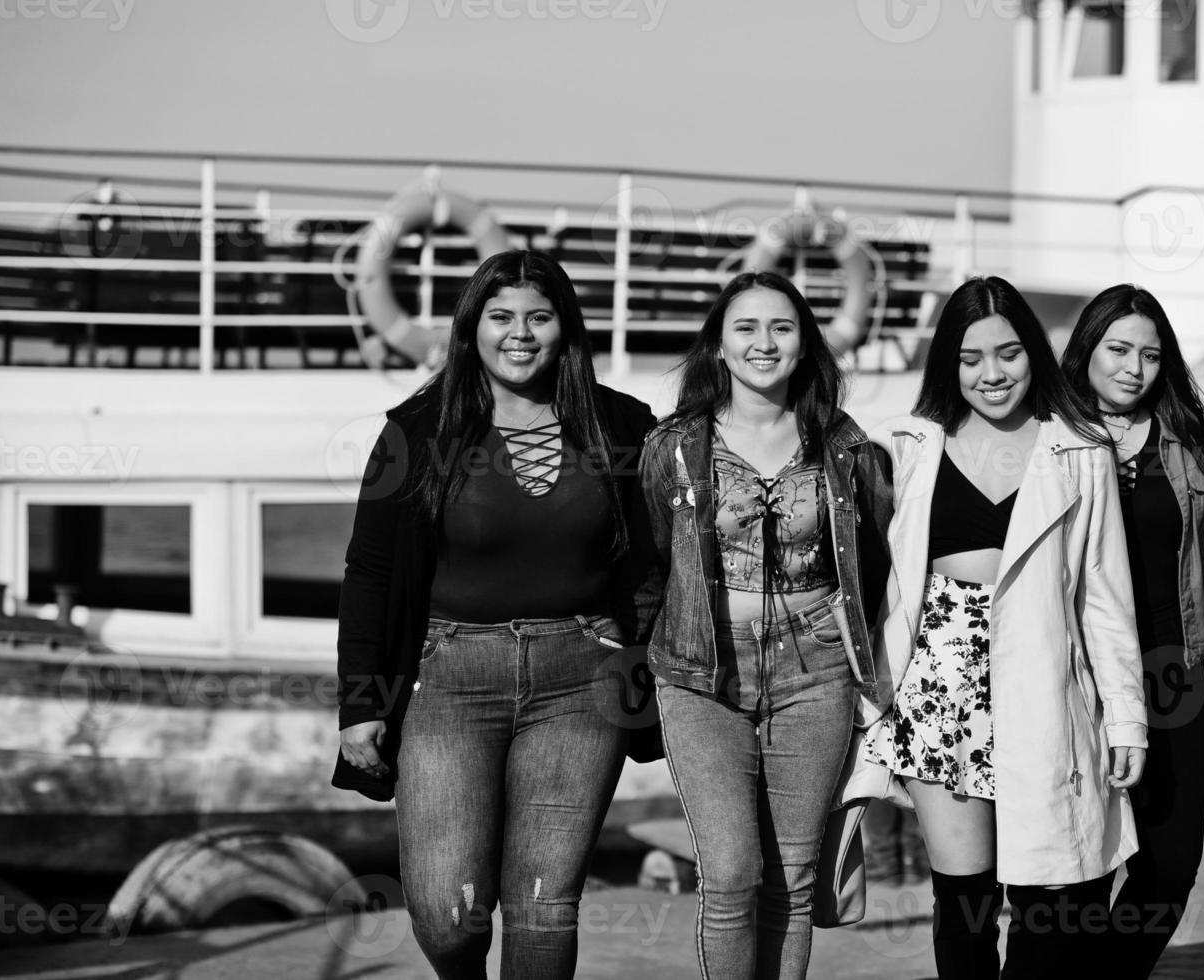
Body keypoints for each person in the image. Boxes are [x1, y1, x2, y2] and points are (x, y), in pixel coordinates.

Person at [332, 250, 659, 979]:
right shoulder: (415, 432)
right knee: (448, 916)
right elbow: (371, 572)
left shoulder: (624, 426)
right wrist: (361, 700)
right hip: (448, 679)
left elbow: (651, 568)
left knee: (544, 906)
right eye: (501, 317)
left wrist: (643, 674)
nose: (520, 334)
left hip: (583, 680)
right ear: (471, 327)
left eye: (539, 317)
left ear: (565, 329)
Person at [839, 275, 1148, 980]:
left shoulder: (1078, 449)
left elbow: (1103, 595)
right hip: (938, 687)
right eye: (970, 358)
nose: (990, 374)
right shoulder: (910, 444)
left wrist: (1126, 719)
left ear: (1032, 353)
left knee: (1049, 900)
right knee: (963, 902)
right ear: (947, 363)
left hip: (1040, 682)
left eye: (1007, 353)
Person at [640, 270, 893, 980]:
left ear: (804, 344)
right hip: (702, 671)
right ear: (718, 346)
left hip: (815, 671)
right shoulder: (674, 449)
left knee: (793, 874)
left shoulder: (844, 447)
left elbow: (872, 567)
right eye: (745, 328)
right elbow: (647, 565)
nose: (763, 342)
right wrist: (702, 534)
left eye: (781, 328)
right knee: (728, 871)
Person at [1061, 283, 1204, 979]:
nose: (1132, 368)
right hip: (1078, 676)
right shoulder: (1050, 438)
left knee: (1170, 865)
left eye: (1149, 355)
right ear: (1086, 349)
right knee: (1080, 864)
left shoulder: (1183, 444)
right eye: (1117, 349)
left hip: (1171, 676)